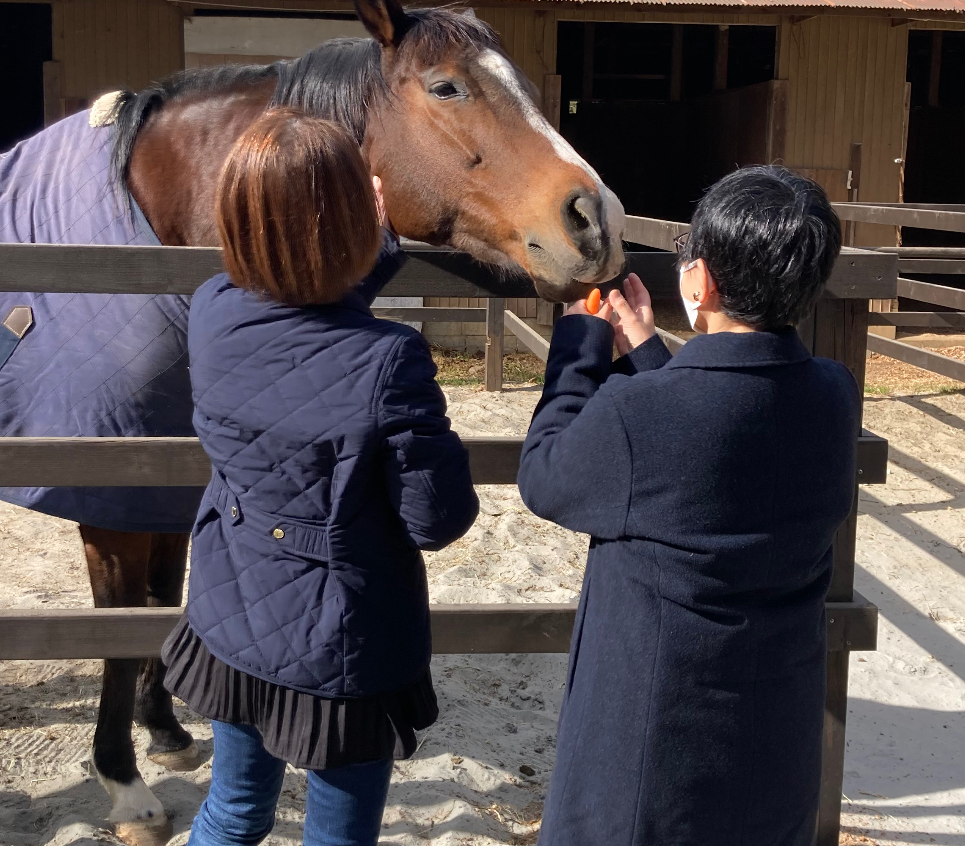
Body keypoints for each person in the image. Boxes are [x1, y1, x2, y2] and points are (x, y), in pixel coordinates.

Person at [163, 108, 479, 846]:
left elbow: (305, 332)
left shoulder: (213, 310)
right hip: (340, 642)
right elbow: (436, 520)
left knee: (234, 812)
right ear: (347, 224)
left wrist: (371, 251)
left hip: (234, 605)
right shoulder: (392, 360)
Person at [518, 165, 860, 846]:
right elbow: (709, 441)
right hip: (774, 744)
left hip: (653, 756)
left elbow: (546, 475)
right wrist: (649, 349)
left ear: (698, 281)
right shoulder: (833, 393)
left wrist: (581, 347)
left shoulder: (639, 413)